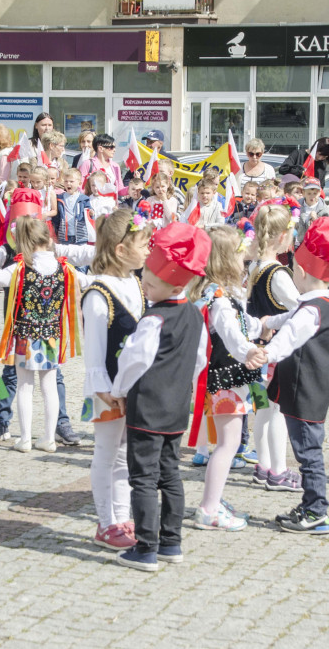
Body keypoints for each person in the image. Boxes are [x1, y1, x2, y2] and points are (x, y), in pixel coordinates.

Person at [109, 222, 212, 572]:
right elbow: (199, 359)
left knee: (143, 477)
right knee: (170, 473)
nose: (145, 287)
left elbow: (135, 359)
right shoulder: (196, 315)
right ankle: (171, 541)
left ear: (174, 283)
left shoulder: (154, 318)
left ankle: (146, 547)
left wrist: (119, 389)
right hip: (175, 407)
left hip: (147, 407)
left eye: (150, 284)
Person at [258, 217, 329, 534]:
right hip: (304, 390)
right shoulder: (318, 303)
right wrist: (267, 322)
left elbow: (290, 338)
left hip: (306, 393)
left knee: (308, 454)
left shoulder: (312, 311)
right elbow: (288, 318)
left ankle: (317, 510)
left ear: (300, 273)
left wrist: (264, 353)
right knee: (306, 450)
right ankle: (310, 505)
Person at [0, 216, 83, 453]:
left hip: (24, 334)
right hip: (52, 335)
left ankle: (25, 439)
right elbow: (87, 279)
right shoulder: (63, 267)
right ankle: (49, 438)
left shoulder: (21, 267)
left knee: (24, 386)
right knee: (49, 385)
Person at [81, 210, 151, 552]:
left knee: (126, 454)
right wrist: (104, 389)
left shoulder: (137, 283)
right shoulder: (98, 293)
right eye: (144, 244)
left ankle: (123, 517)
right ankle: (105, 522)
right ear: (121, 250)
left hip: (131, 386)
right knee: (106, 453)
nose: (149, 250)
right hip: (107, 389)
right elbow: (94, 350)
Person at [189, 226, 265, 531]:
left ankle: (214, 499)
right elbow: (234, 338)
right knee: (228, 444)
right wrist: (250, 351)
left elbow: (246, 326)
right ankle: (209, 507)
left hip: (230, 379)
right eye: (238, 253)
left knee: (228, 442)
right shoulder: (219, 299)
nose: (244, 258)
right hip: (227, 380)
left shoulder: (220, 294)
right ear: (224, 260)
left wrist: (270, 325)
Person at [246, 204, 301, 491]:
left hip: (254, 352)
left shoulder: (254, 267)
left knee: (262, 409)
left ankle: (263, 466)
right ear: (283, 237)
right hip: (273, 353)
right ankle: (278, 470)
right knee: (276, 410)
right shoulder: (278, 273)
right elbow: (299, 309)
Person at [54, 168, 92, 246]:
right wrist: (55, 231)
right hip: (64, 235)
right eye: (66, 181)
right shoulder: (59, 198)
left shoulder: (84, 199)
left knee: (80, 256)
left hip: (80, 236)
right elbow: (56, 218)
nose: (68, 184)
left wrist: (91, 212)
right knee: (65, 256)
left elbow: (89, 213)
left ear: (79, 183)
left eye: (71, 181)